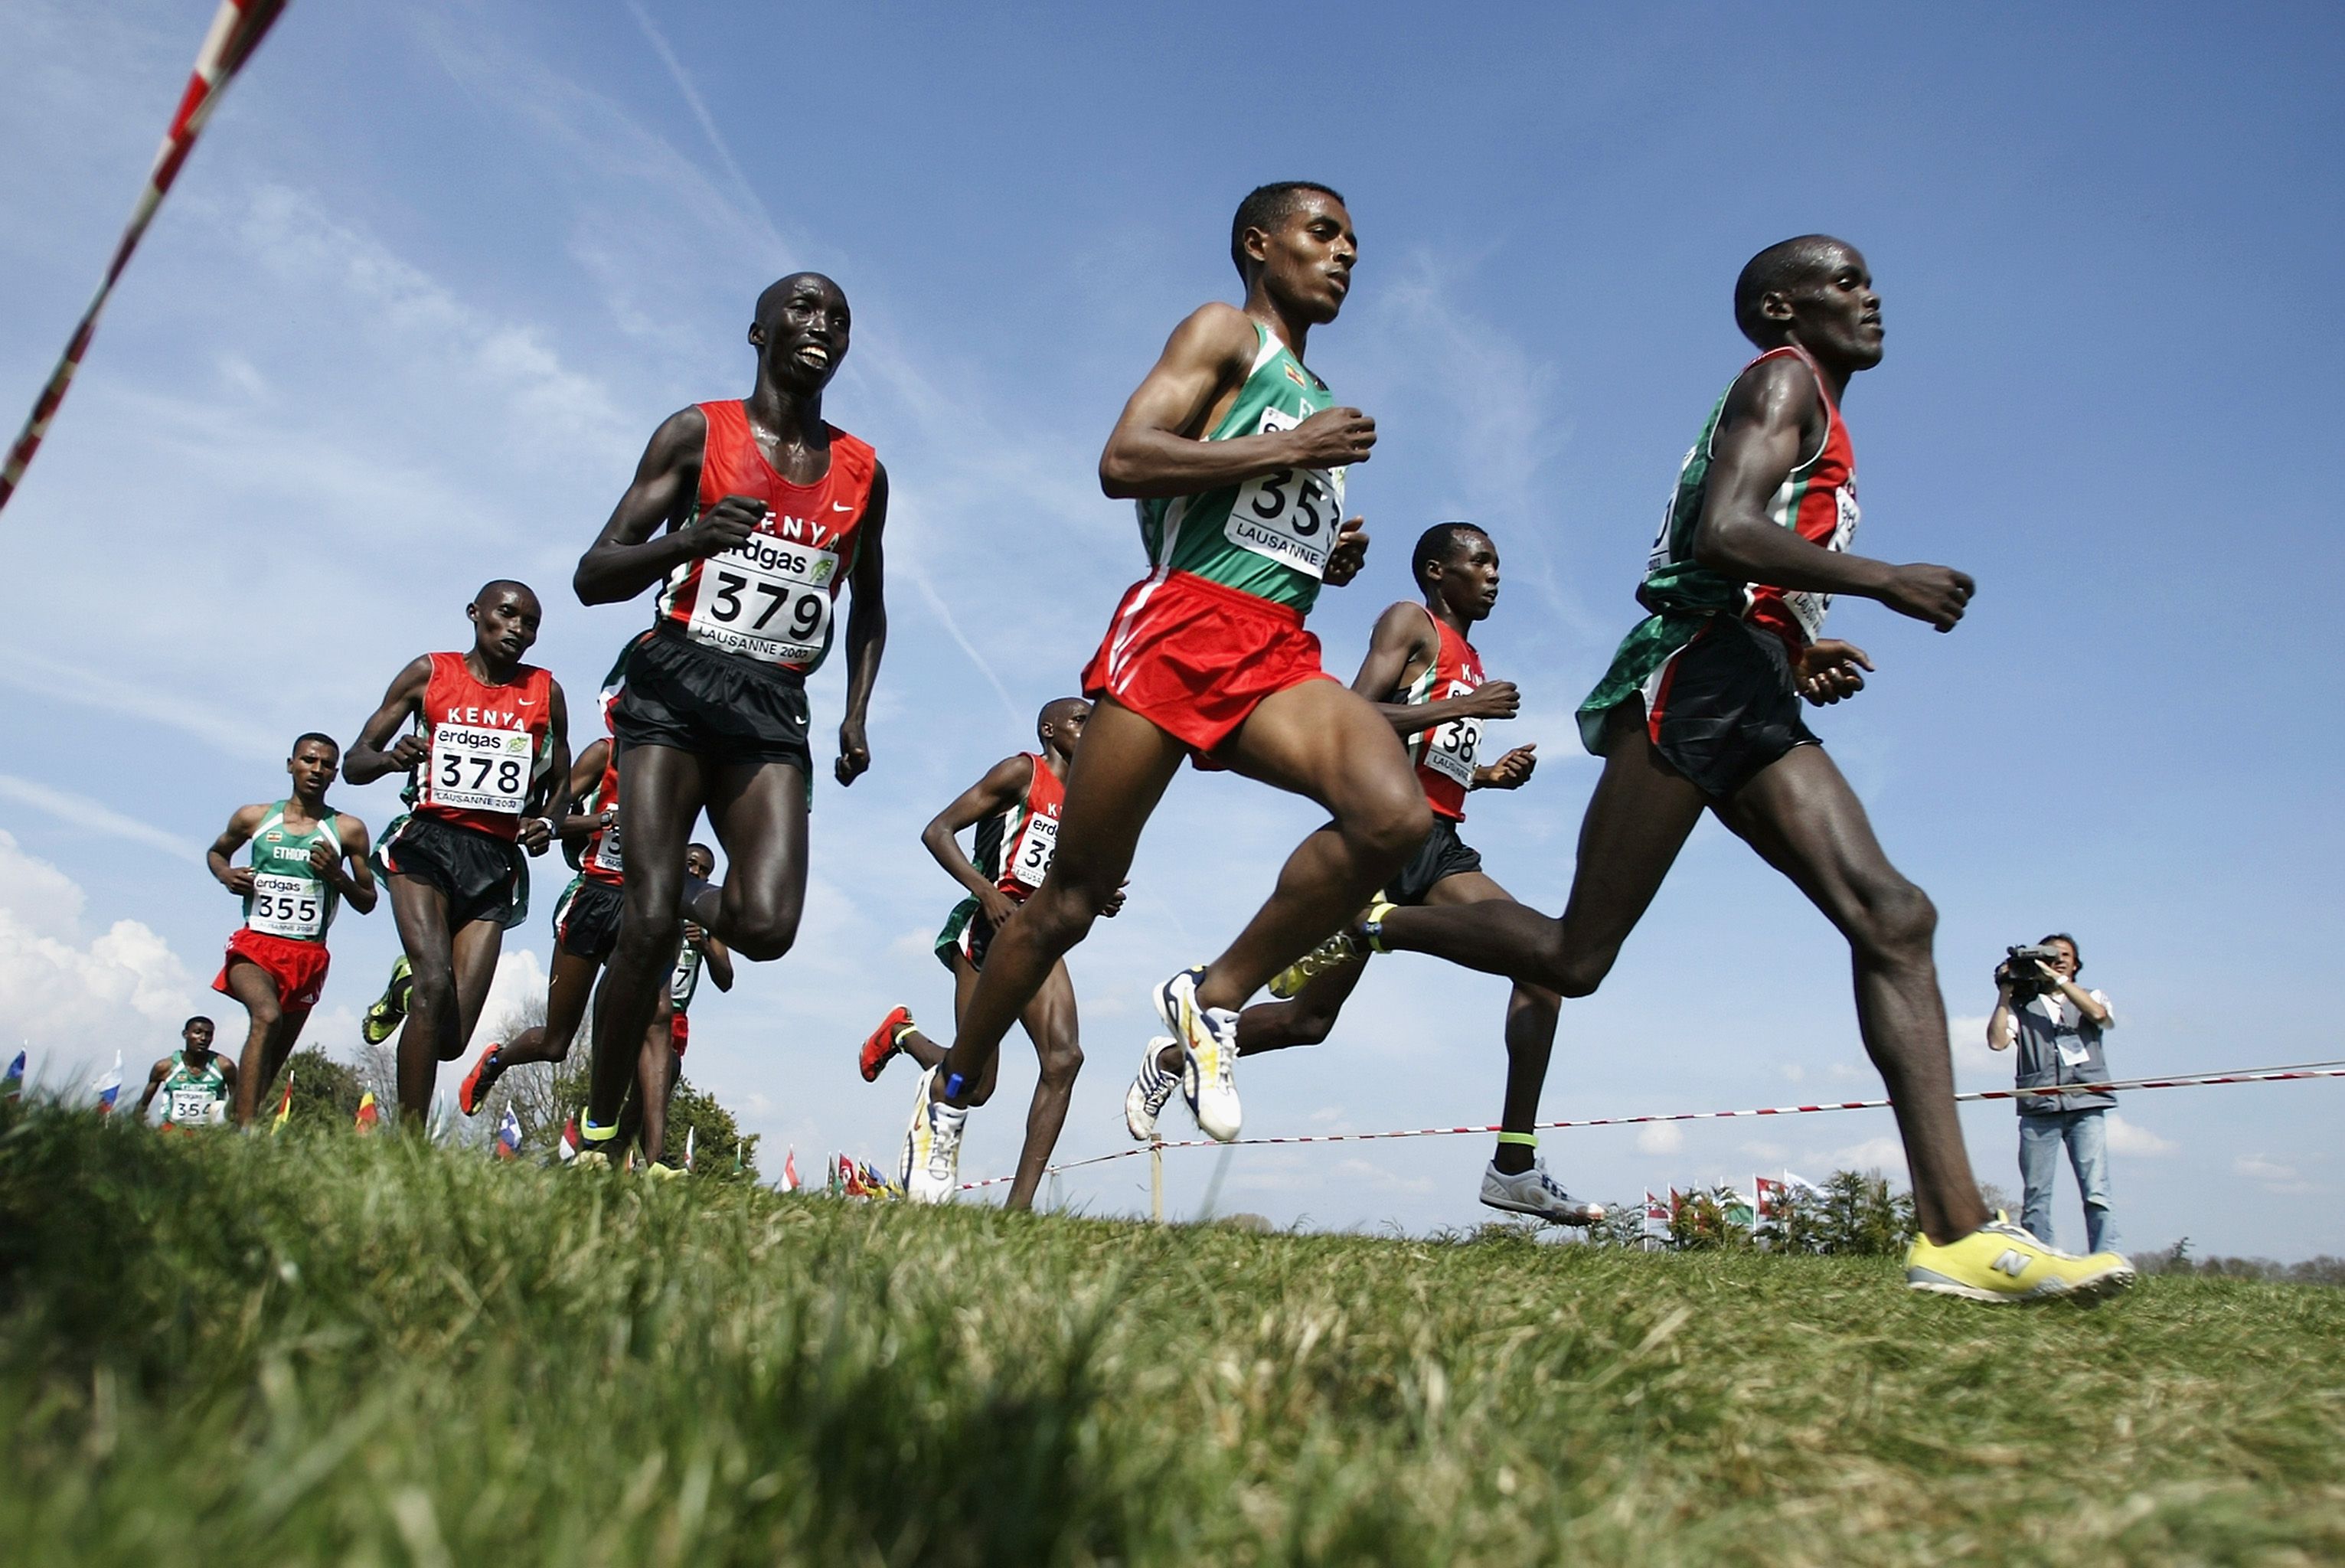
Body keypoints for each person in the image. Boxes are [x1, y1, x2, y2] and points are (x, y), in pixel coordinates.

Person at [1345, 237, 2132, 1302]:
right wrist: (1878, 580)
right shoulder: (1780, 380)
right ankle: (1377, 925)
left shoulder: (1814, 406)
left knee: (1892, 916)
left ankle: (1951, 1235)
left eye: (1867, 279)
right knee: (1576, 958)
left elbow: (1745, 553)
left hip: (1750, 682)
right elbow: (1720, 532)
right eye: (1844, 281)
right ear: (1780, 307)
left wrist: (1799, 646)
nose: (1871, 296)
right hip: (1695, 681)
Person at [900, 182, 1430, 1201]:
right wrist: (1291, 451)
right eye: (1322, 234)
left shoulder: (1318, 400)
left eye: (1355, 243)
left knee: (1392, 815)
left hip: (1274, 647)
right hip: (1178, 631)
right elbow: (1124, 460)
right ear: (1257, 244)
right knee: (1064, 903)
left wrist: (1322, 549)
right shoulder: (1223, 333)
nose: (1344, 256)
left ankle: (1212, 994)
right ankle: (951, 1093)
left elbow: (1246, 517)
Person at [1121, 523, 1601, 1223]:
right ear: (1438, 572)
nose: (1495, 574)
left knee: (1541, 968)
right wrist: (1464, 706)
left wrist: (1488, 777)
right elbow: (1351, 715)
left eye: (1498, 561)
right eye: (1481, 561)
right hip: (1382, 840)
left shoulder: (1469, 653)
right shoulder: (1411, 622)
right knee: (1306, 1023)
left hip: (1440, 845)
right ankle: (1185, 1050)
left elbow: (1429, 755)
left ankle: (1514, 1166)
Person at [571, 273, 888, 1168]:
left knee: (768, 923)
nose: (821, 324)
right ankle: (597, 1129)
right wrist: (691, 538)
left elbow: (870, 604)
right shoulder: (696, 432)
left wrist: (857, 712)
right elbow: (594, 572)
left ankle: (674, 904)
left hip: (772, 702)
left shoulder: (864, 470)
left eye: (839, 316)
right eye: (803, 308)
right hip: (673, 682)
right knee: (647, 911)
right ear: (757, 331)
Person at [865, 697, 1112, 1210]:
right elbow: (937, 831)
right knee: (973, 1086)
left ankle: (1018, 1209)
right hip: (988, 927)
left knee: (1064, 1059)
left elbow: (1068, 875)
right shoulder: (1021, 771)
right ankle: (901, 1035)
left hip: (1042, 931)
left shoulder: (1089, 801)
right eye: (1080, 721)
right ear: (1050, 729)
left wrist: (1098, 895)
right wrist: (986, 891)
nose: (1092, 731)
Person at [345, 582, 570, 1122]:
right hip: (426, 844)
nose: (517, 628)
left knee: (451, 1038)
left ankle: (404, 987)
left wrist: (548, 821)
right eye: (506, 614)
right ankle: (409, 1146)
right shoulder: (429, 673)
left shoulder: (545, 692)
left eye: (531, 622)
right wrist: (392, 758)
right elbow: (355, 763)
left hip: (494, 861)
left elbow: (562, 784)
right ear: (475, 614)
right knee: (433, 983)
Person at [204, 732, 377, 1125]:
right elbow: (217, 852)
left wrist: (337, 876)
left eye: (327, 764)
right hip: (256, 946)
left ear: (335, 774)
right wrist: (226, 875)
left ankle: (233, 1125)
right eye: (309, 760)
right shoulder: (254, 817)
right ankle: (247, 1134)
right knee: (266, 1016)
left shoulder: (348, 830)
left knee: (273, 1056)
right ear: (291, 765)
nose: (317, 770)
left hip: (308, 955)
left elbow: (368, 901)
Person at [454, 725, 627, 1118]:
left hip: (644, 909)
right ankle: (496, 1061)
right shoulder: (605, 753)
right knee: (554, 1045)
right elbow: (548, 821)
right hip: (593, 900)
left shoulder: (685, 761)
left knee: (645, 1025)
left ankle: (612, 1140)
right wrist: (602, 821)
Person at [1988, 933, 2120, 1255]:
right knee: (2036, 1195)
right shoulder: (2023, 1006)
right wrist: (2006, 992)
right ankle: (2040, 1259)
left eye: (2064, 955)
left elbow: (2100, 1017)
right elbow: (1996, 1042)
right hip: (2039, 1109)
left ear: (2076, 964)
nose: (2058, 958)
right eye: (2050, 954)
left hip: (2085, 1104)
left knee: (2096, 1191)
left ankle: (2104, 1259)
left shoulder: (2093, 995)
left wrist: (2059, 982)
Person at [612, 843, 737, 1165]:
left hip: (677, 1016)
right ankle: (646, 1153)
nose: (697, 872)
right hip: (641, 1008)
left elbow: (726, 980)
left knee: (652, 1089)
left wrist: (706, 946)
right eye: (692, 864)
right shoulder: (656, 899)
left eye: (705, 870)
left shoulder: (708, 917)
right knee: (649, 1078)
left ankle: (621, 1149)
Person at [135, 1016, 236, 1130]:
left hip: (210, 1135)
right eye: (198, 1033)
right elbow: (142, 1106)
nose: (203, 1038)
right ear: (185, 1034)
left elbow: (239, 1102)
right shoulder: (164, 1067)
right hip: (173, 1133)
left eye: (209, 1034)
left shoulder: (225, 1067)